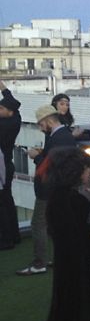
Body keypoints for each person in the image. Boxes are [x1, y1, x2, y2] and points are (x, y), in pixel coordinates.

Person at [44, 147, 90, 321]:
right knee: (82, 307)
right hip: (81, 264)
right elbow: (89, 234)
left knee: (65, 305)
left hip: (65, 262)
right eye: (87, 170)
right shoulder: (75, 201)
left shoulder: (56, 198)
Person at [17, 105, 77, 275]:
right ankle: (57, 258)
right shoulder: (62, 135)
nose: (40, 127)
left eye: (41, 124)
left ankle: (39, 262)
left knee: (38, 224)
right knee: (55, 224)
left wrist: (37, 156)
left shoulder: (58, 137)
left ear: (49, 120)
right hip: (57, 188)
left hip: (49, 188)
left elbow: (50, 165)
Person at [0, 80, 22, 250]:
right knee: (7, 201)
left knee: (3, 204)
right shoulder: (15, 118)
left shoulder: (4, 126)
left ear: (9, 112)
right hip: (7, 165)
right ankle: (14, 235)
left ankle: (6, 239)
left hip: (2, 167)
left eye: (1, 109)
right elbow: (11, 100)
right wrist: (3, 88)